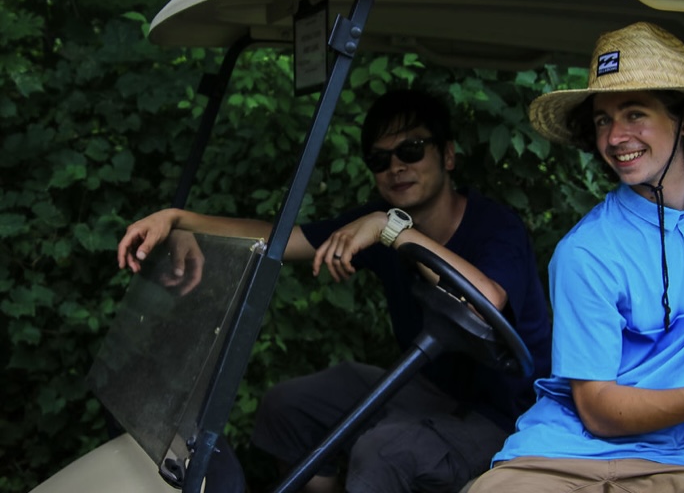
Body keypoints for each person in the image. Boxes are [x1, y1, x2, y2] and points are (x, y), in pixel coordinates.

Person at [117, 89, 552, 493]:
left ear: (448, 155)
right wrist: (180, 220)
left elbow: (484, 301)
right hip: (429, 391)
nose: (396, 167)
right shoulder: (383, 221)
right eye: (379, 159)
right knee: (287, 406)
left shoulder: (493, 228)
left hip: (507, 416)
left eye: (411, 150)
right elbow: (283, 239)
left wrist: (390, 231)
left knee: (383, 453)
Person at [469, 21, 684, 493]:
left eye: (634, 114)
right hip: (559, 455)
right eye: (602, 120)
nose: (615, 137)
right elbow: (597, 411)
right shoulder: (585, 251)